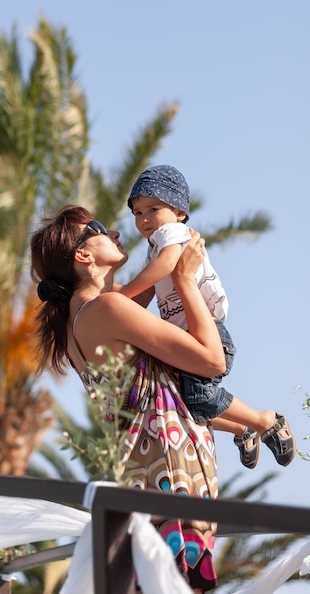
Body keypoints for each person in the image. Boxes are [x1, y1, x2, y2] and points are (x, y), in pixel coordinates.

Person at [30, 204, 227, 592]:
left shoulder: (78, 320)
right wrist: (186, 280)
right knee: (182, 582)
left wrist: (167, 254)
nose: (118, 233)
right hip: (173, 467)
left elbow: (138, 294)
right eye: (101, 229)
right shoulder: (107, 308)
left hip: (138, 473)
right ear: (83, 255)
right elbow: (212, 360)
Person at [122, 164, 296, 470]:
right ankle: (243, 429)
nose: (144, 219)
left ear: (178, 211)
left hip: (208, 333)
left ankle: (263, 421)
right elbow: (147, 293)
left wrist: (120, 294)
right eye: (137, 213)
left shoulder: (172, 233)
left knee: (199, 398)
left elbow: (165, 269)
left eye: (153, 208)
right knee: (187, 403)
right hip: (186, 334)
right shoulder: (156, 245)